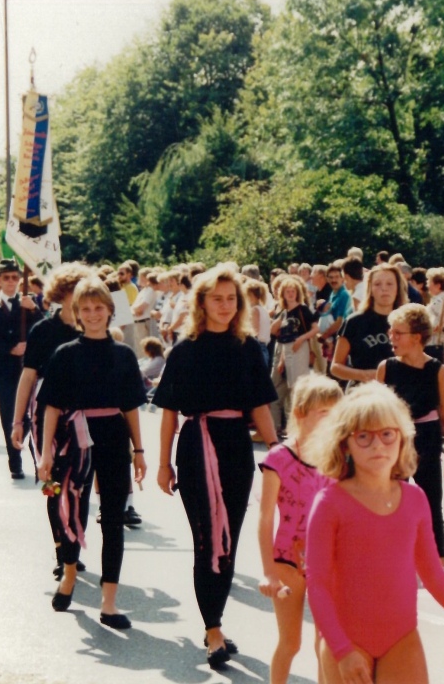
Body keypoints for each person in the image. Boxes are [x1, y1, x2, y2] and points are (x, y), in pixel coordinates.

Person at [305, 382, 444, 684]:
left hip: (401, 639)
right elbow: (318, 584)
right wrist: (340, 650)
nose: (378, 446)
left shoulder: (414, 499)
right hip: (347, 641)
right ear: (344, 443)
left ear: (402, 439)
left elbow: (433, 575)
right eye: (364, 436)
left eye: (387, 434)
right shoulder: (329, 503)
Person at [153, 265, 279, 670]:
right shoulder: (184, 350)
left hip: (236, 449)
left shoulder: (248, 347)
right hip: (195, 447)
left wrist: (277, 451)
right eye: (217, 298)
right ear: (201, 303)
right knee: (207, 540)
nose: (225, 306)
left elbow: (259, 405)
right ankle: (212, 630)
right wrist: (161, 464)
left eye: (231, 299)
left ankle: (215, 622)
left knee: (229, 542)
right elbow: (169, 413)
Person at [36, 277, 147, 628]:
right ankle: (69, 572)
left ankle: (109, 602)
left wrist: (139, 450)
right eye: (85, 309)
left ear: (110, 311)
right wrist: (45, 453)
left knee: (114, 518)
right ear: (76, 313)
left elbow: (131, 406)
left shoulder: (124, 355)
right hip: (75, 437)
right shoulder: (66, 354)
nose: (93, 314)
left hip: (114, 437)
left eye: (99, 308)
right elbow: (51, 407)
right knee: (72, 511)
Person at [11, 263, 95, 580]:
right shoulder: (43, 331)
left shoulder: (95, 327)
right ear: (61, 295)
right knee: (54, 485)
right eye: (74, 292)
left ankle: (74, 546)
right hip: (47, 415)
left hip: (87, 415)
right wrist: (17, 421)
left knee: (81, 488)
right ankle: (62, 549)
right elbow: (28, 376)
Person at [257, 375, 342, 684]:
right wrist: (269, 571)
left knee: (327, 644)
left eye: (336, 413)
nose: (331, 419)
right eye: (323, 412)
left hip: (327, 561)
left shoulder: (337, 459)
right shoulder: (278, 458)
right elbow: (266, 518)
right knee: (291, 643)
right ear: (300, 413)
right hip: (287, 561)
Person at [378, 303, 444, 563]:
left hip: (426, 438)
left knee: (430, 505)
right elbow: (375, 412)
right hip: (394, 441)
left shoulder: (437, 369)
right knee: (391, 503)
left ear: (416, 337)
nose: (392, 337)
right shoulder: (386, 367)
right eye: (391, 332)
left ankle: (438, 564)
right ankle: (394, 561)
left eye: (398, 333)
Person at [0, 259, 42, 479]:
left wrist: (33, 309)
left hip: (26, 370)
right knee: (9, 416)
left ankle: (32, 454)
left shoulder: (28, 302)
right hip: (4, 369)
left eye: (15, 277)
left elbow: (44, 329)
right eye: (5, 277)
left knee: (29, 417)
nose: (10, 282)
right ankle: (15, 462)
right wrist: (10, 349)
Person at [330, 263, 406, 385]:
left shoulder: (408, 322)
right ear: (370, 290)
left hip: (399, 394)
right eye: (377, 284)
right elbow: (335, 367)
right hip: (363, 394)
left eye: (390, 284)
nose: (384, 288)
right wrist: (364, 375)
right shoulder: (354, 322)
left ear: (398, 288)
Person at [270, 276, 320, 430]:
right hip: (287, 349)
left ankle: (298, 426)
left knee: (297, 387)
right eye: (287, 292)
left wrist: (301, 339)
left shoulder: (303, 309)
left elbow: (316, 329)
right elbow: (280, 335)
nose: (290, 294)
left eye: (293, 291)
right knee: (288, 387)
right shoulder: (285, 312)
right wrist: (282, 360)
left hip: (299, 347)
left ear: (297, 293)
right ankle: (287, 425)